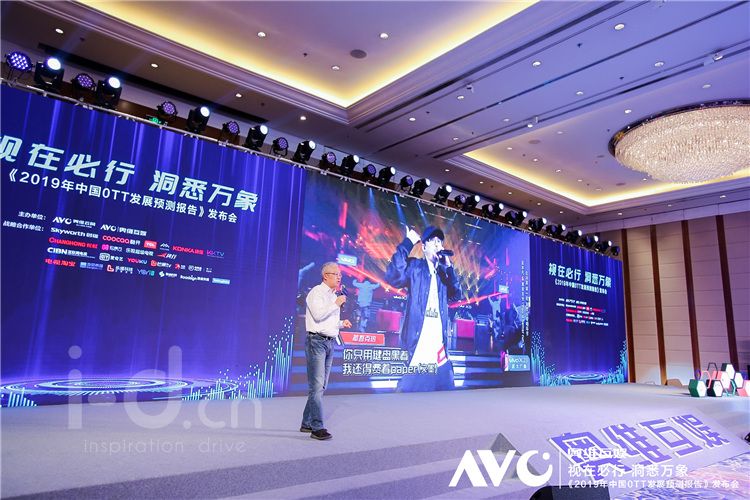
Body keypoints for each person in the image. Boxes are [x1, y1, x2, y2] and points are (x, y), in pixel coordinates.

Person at [385, 225, 462, 392]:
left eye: (440, 241)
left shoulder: (443, 275)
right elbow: (393, 276)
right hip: (418, 350)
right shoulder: (415, 267)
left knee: (447, 402)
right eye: (433, 241)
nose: (437, 244)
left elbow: (456, 295)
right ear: (424, 246)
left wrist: (449, 269)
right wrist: (408, 242)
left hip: (440, 356)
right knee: (409, 399)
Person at [300, 262, 352, 440]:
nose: (339, 277)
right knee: (316, 386)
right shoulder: (316, 292)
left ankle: (306, 423)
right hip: (316, 342)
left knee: (321, 386)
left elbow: (327, 321)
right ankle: (317, 427)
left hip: (330, 342)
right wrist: (336, 304)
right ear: (325, 276)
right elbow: (317, 315)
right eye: (336, 274)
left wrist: (341, 323)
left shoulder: (332, 295)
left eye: (340, 275)